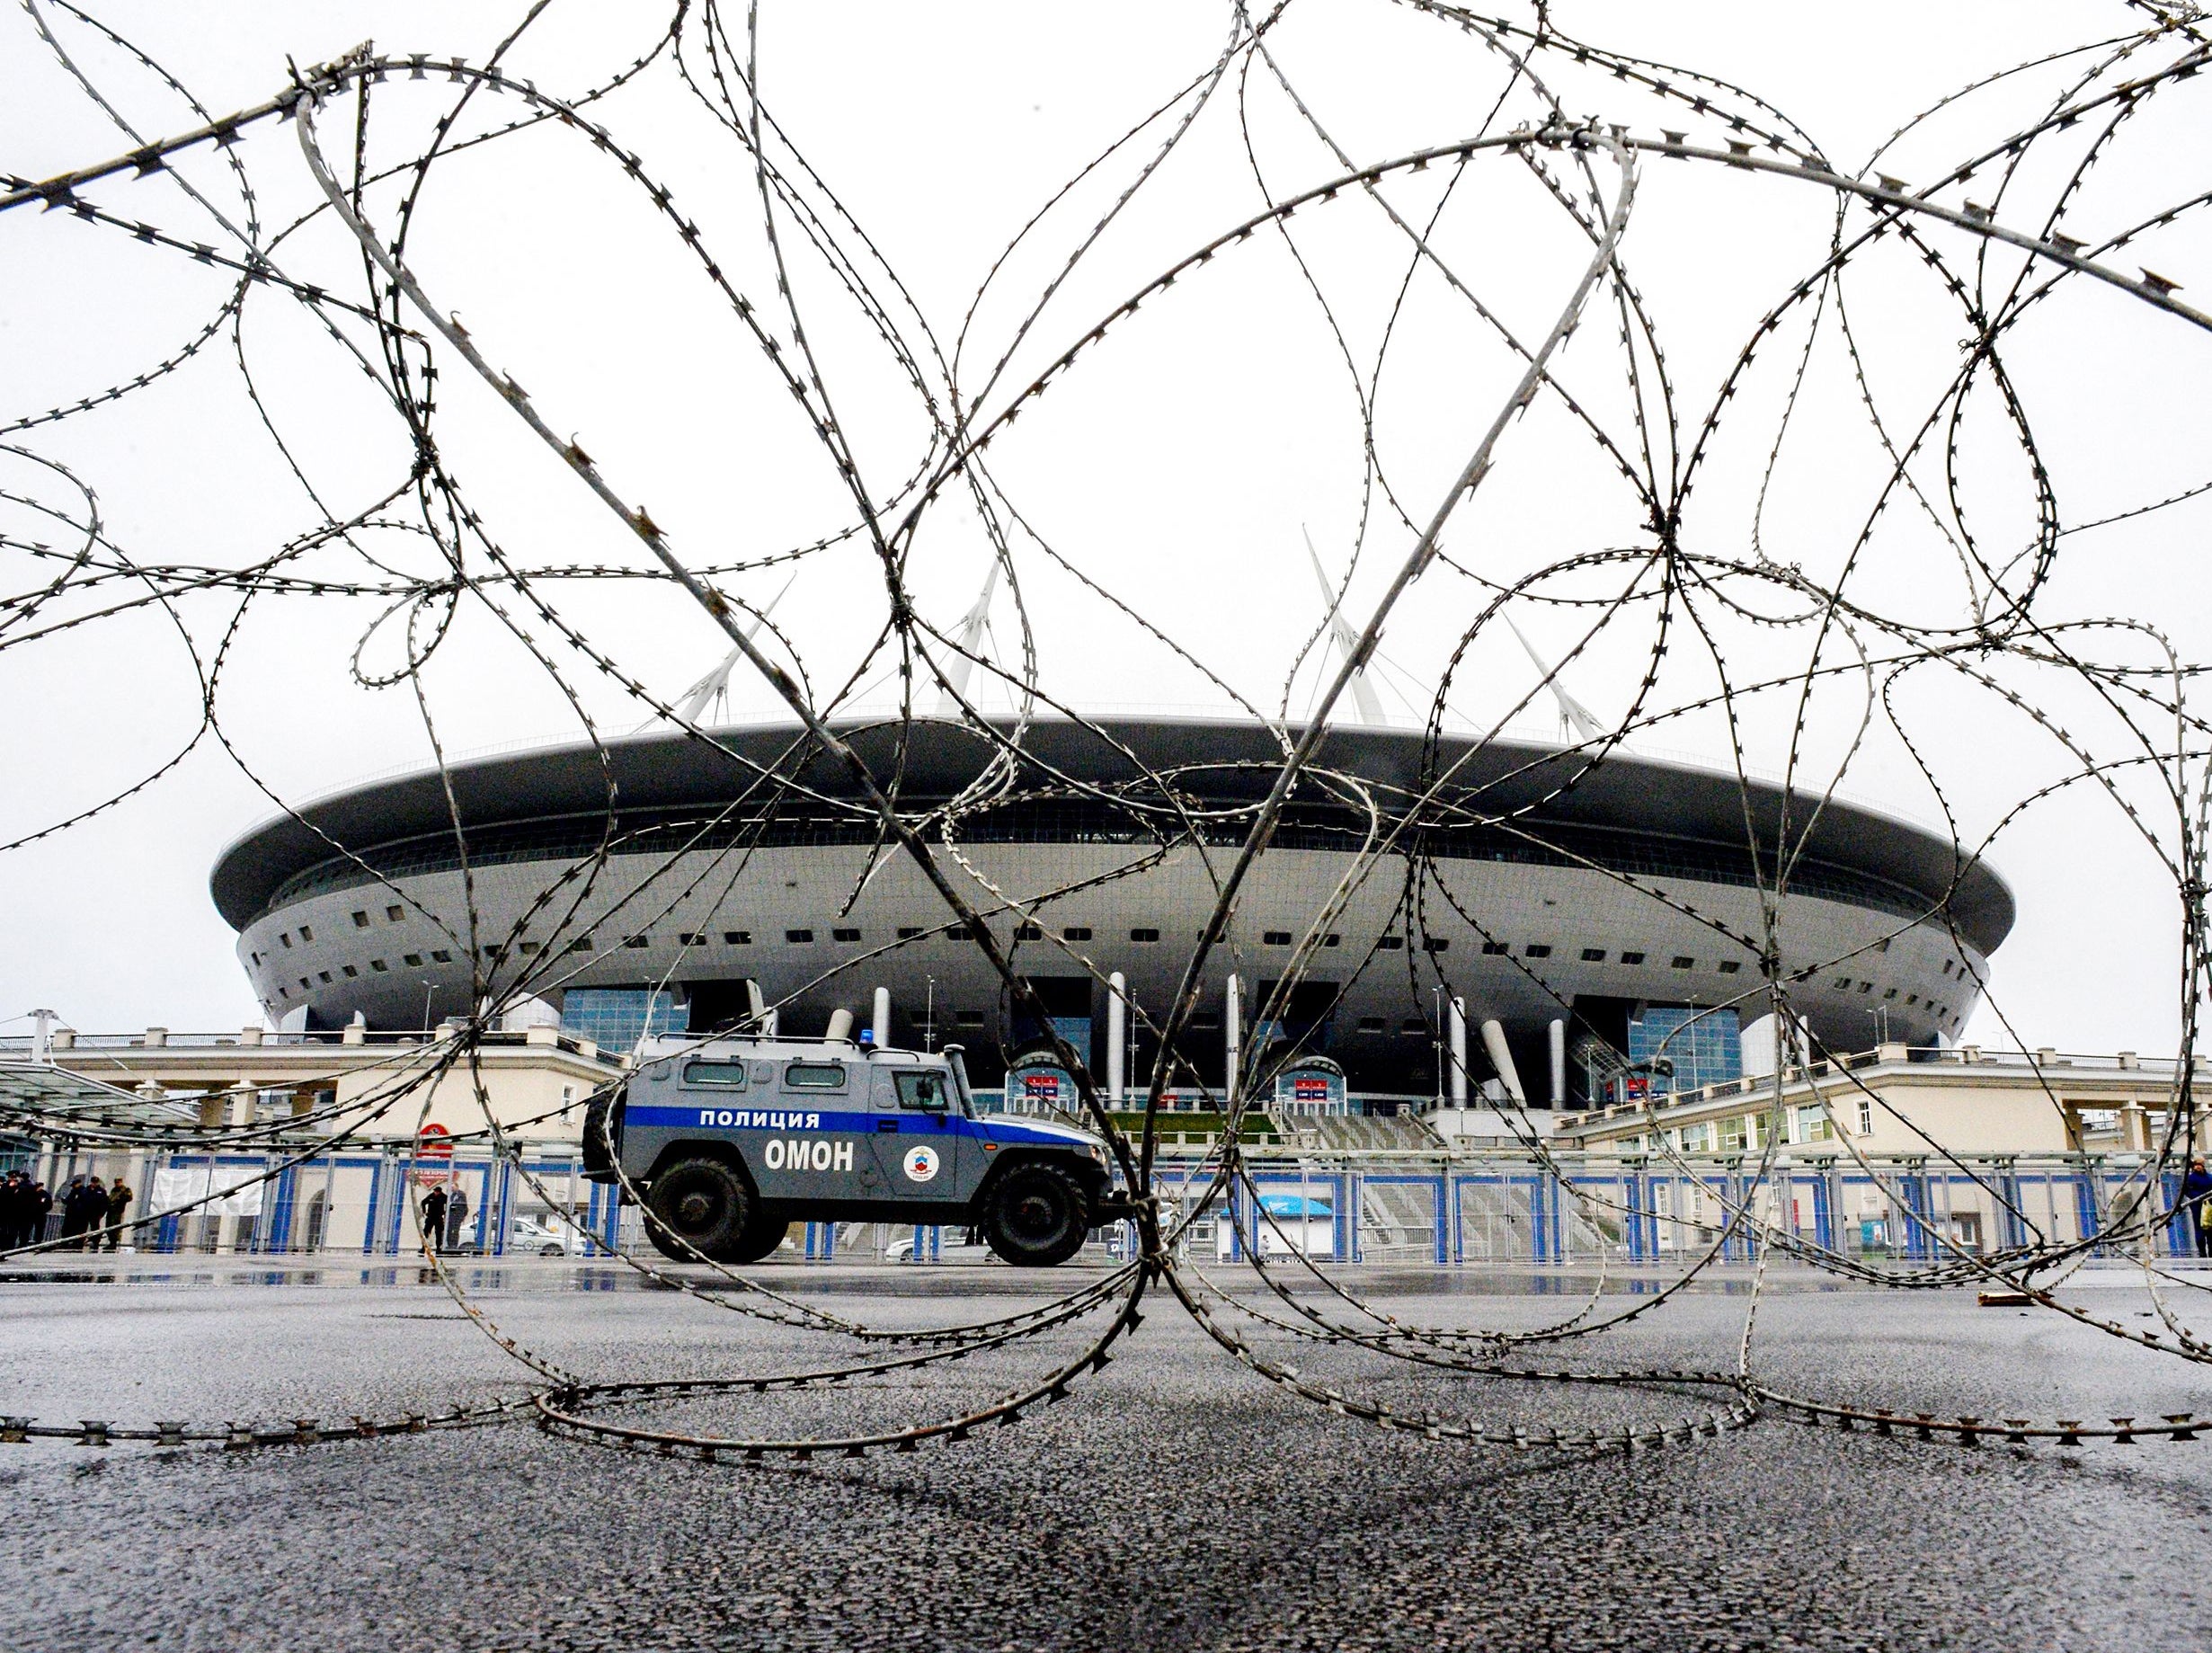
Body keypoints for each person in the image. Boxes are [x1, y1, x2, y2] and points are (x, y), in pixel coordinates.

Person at [2184, 1158, 2212, 1259]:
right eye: (2196, 1165)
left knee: (2210, 1229)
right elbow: (2188, 1191)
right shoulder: (2191, 1178)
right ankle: (2202, 1253)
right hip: (2197, 1207)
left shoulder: (2209, 1177)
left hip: (2209, 1207)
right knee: (2200, 1229)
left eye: (2199, 1164)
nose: (2198, 1167)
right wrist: (2199, 1197)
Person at [102, 1179, 133, 1253]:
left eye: (119, 1182)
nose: (117, 1184)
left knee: (115, 1227)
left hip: (118, 1211)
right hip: (111, 1210)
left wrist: (121, 1198)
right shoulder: (114, 1190)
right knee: (109, 1226)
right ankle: (111, 1242)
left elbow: (129, 1198)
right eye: (116, 1183)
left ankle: (114, 1243)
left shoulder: (125, 1190)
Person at [421, 1184, 449, 1253]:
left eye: (437, 1192)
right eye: (435, 1191)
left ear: (439, 1192)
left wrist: (445, 1213)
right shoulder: (431, 1196)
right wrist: (424, 1212)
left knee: (438, 1233)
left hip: (438, 1217)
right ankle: (423, 1247)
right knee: (426, 1232)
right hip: (430, 1217)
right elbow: (423, 1202)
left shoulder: (444, 1197)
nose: (435, 1193)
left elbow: (448, 1205)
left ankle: (438, 1248)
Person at [445, 1184, 470, 1254]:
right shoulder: (451, 1195)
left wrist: (462, 1216)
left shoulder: (461, 1194)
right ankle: (449, 1245)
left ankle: (454, 1245)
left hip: (457, 1216)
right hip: (451, 1216)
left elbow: (461, 1206)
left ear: (457, 1187)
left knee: (455, 1231)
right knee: (449, 1230)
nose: (452, 1189)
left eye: (453, 1187)